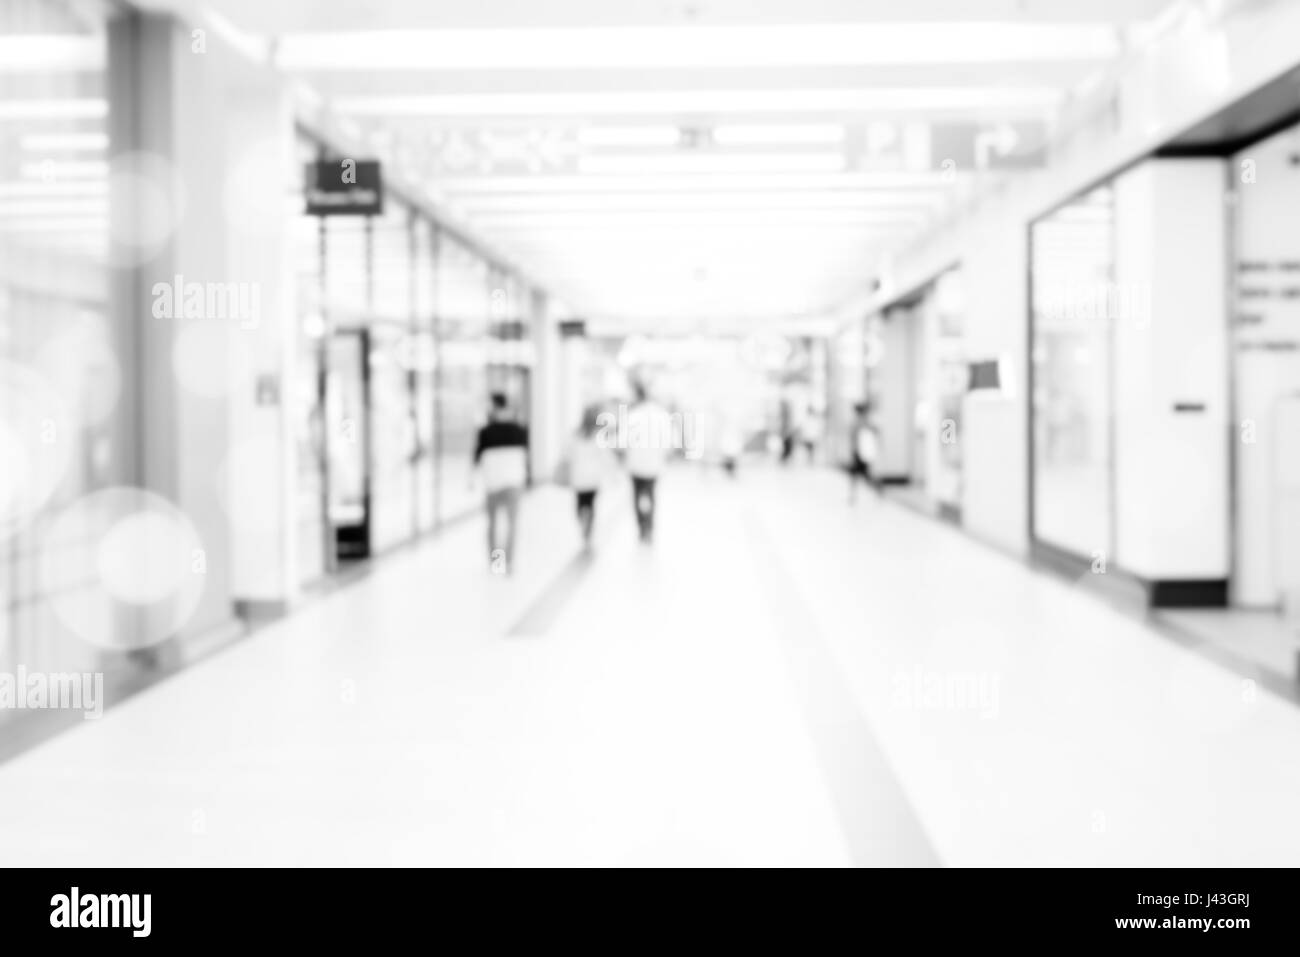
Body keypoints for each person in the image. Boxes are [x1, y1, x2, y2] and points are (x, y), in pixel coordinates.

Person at [472, 392, 529, 574]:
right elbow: (524, 455)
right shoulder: (520, 430)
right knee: (511, 524)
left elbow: (477, 456)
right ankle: (509, 561)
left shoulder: (485, 432)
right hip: (513, 481)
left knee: (494, 524)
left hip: (493, 482)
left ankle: (497, 563)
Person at [623, 383, 673, 544]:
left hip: (636, 464)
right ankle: (649, 525)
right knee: (651, 495)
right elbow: (669, 441)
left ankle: (641, 527)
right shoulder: (661, 415)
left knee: (637, 495)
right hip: (654, 464)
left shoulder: (633, 415)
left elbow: (623, 441)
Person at [562, 405, 613, 551]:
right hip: (592, 479)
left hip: (580, 478)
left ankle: (583, 526)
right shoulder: (598, 436)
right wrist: (613, 474)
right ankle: (588, 532)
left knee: (580, 504)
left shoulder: (575, 435)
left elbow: (566, 453)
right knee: (590, 505)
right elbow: (606, 457)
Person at [848, 401, 880, 504]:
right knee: (856, 475)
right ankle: (853, 495)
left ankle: (877, 488)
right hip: (858, 452)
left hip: (861, 453)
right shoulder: (861, 422)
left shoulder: (863, 422)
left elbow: (874, 431)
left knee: (865, 476)